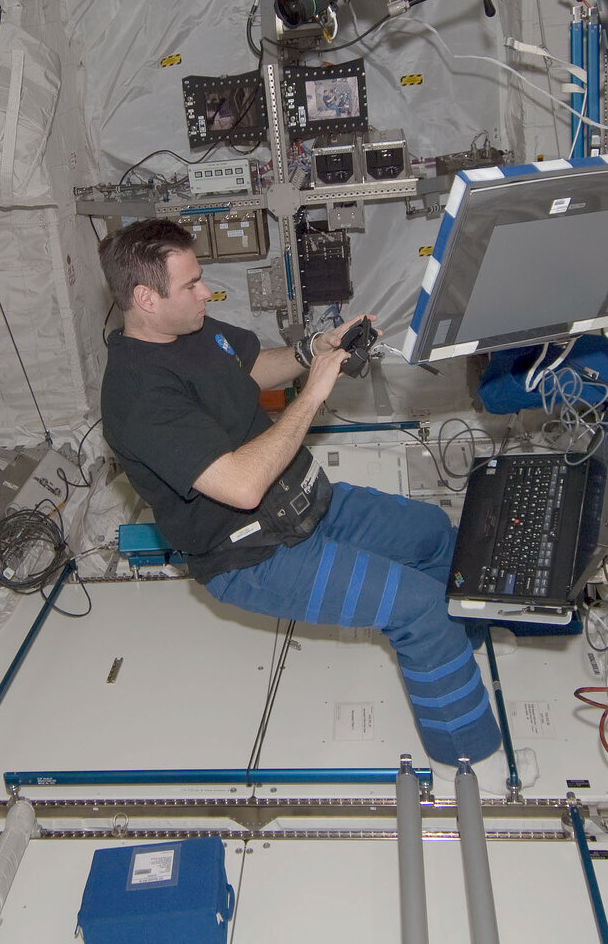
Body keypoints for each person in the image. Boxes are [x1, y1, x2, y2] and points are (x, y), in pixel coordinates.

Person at [96, 218, 501, 767]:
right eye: (191, 284)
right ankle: (467, 754)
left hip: (309, 503)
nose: (205, 291)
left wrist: (317, 350)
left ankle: (454, 645)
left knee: (434, 536)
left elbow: (248, 367)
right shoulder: (137, 395)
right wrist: (312, 396)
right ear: (145, 298)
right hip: (255, 555)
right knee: (419, 608)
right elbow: (241, 486)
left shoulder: (189, 330)